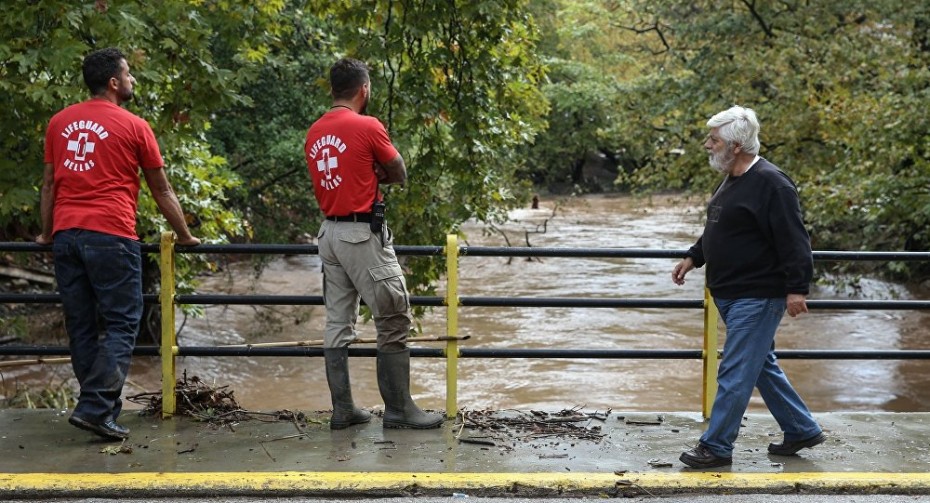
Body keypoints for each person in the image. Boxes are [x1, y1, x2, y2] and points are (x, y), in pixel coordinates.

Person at [36, 48, 200, 441]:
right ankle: (95, 407)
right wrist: (184, 235)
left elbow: (49, 184)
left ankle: (100, 411)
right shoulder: (134, 126)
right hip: (111, 235)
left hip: (66, 236)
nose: (132, 81)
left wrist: (46, 233)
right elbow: (162, 190)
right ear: (113, 81)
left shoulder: (59, 123)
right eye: (128, 75)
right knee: (124, 322)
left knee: (81, 327)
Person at [671, 105, 825, 468]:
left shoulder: (773, 183)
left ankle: (717, 447)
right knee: (759, 365)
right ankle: (801, 428)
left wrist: (797, 288)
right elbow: (719, 226)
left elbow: (794, 240)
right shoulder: (732, 177)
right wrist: (694, 256)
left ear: (736, 146)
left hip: (757, 295)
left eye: (714, 139)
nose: (707, 145)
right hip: (731, 292)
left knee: (736, 370)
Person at [304, 58, 442, 430]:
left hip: (328, 234)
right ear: (363, 89)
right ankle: (399, 410)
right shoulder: (367, 126)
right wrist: (380, 173)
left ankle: (343, 408)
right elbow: (399, 170)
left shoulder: (315, 131)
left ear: (333, 89)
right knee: (393, 315)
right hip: (361, 233)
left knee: (337, 322)